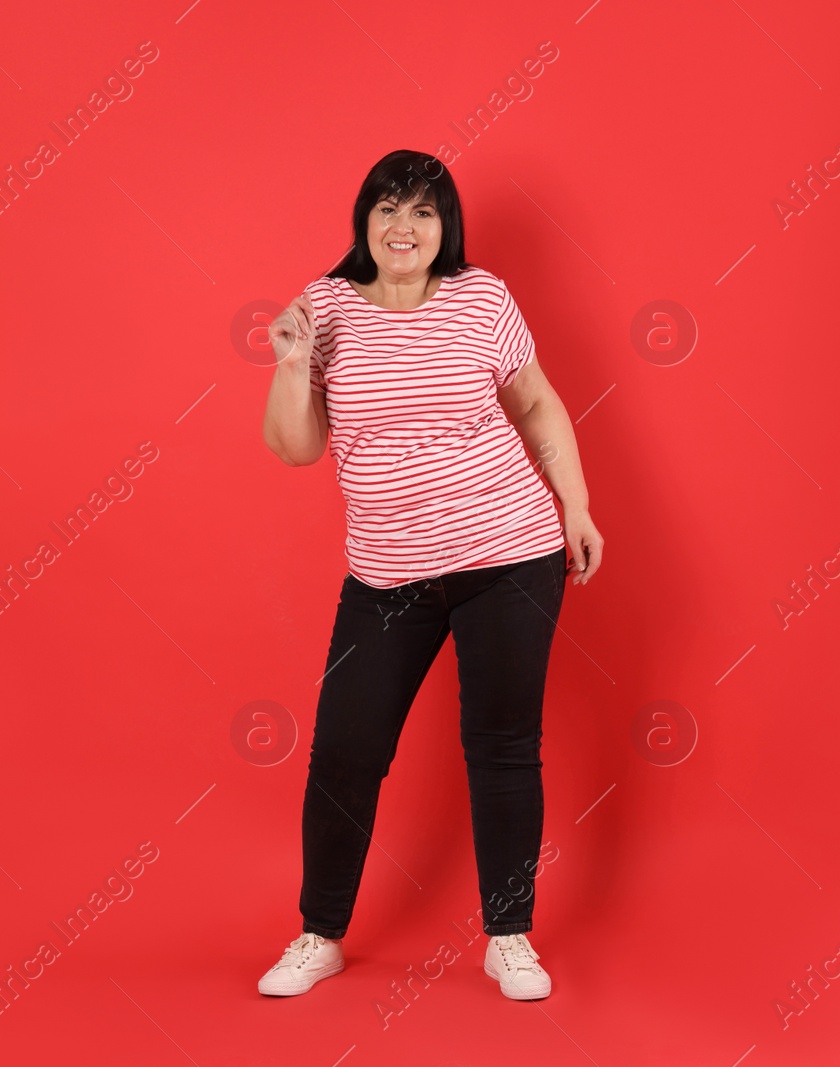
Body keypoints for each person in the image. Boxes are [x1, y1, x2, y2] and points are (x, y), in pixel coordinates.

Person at [257, 149, 603, 1001]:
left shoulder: (483, 297)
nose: (401, 226)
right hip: (388, 575)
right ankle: (319, 932)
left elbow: (536, 402)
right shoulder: (327, 308)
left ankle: (509, 936)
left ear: (445, 226)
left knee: (503, 747)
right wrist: (292, 364)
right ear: (363, 221)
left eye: (420, 211)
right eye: (385, 208)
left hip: (509, 554)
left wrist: (577, 504)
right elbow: (297, 450)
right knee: (345, 750)